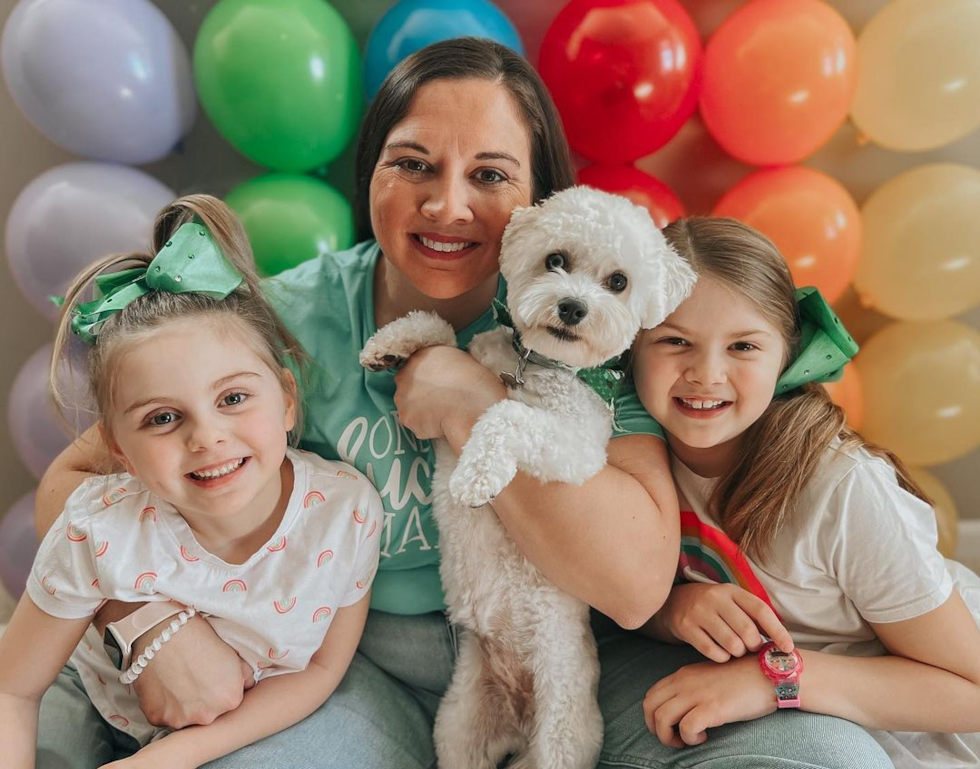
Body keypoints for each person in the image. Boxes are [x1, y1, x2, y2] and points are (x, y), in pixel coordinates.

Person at [35, 38, 892, 768]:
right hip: (346, 667)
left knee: (828, 755)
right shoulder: (281, 322)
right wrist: (145, 619)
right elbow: (75, 480)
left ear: (538, 202)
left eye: (490, 173)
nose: (447, 205)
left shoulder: (597, 322)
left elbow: (632, 587)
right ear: (369, 169)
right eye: (411, 164)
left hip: (574, 650)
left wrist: (474, 403)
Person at [5, 195, 382, 768]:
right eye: (162, 418)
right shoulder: (96, 528)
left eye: (233, 398)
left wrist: (171, 757)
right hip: (83, 687)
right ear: (118, 450)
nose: (206, 438)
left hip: (229, 724)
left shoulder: (347, 513)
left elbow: (322, 669)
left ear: (285, 399)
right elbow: (13, 689)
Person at [634, 217, 980, 768]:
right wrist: (676, 608)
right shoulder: (629, 452)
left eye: (743, 346)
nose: (706, 374)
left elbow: (971, 692)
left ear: (785, 355)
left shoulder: (840, 488)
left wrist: (775, 679)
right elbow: (612, 601)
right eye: (675, 341)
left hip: (912, 707)